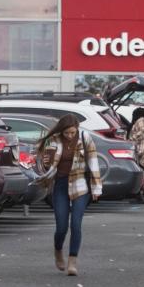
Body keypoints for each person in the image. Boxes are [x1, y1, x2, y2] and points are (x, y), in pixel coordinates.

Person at [37, 114, 102, 277]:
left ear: (77, 129)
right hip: (61, 184)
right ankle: (58, 250)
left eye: (73, 133)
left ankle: (72, 260)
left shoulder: (85, 137)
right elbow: (46, 166)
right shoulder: (54, 140)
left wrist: (96, 187)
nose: (70, 136)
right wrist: (46, 164)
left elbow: (93, 161)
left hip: (80, 184)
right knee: (61, 226)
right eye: (67, 133)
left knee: (76, 224)